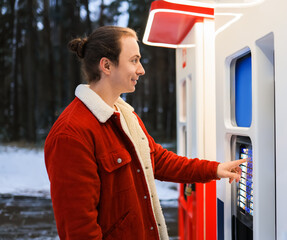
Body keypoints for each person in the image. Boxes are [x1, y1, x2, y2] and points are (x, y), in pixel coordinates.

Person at [44, 25, 246, 240]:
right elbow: (79, 231)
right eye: (134, 60)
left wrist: (215, 169)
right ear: (107, 65)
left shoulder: (124, 114)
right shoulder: (70, 134)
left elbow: (158, 161)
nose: (141, 69)